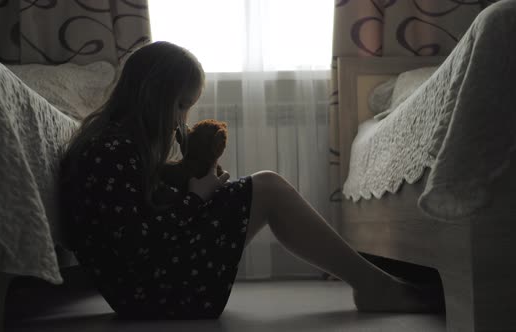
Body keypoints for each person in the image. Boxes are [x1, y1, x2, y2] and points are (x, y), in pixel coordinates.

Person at [59, 41, 439, 320]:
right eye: (179, 106)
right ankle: (374, 285)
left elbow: (137, 223)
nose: (181, 120)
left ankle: (371, 282)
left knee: (263, 187)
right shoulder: (109, 150)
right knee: (268, 187)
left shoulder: (116, 144)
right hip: (156, 293)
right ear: (150, 95)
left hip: (152, 283)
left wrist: (195, 194)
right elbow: (135, 244)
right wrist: (196, 198)